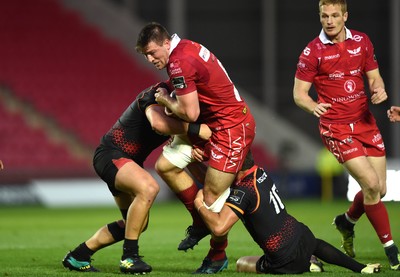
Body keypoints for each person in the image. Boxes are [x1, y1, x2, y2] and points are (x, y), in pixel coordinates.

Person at [135, 22, 256, 273]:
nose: (150, 59)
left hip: (230, 130)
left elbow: (190, 112)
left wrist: (164, 99)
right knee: (165, 166)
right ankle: (201, 223)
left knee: (211, 198)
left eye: (153, 53)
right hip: (212, 126)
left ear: (166, 43)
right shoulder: (185, 48)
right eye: (145, 55)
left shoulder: (179, 62)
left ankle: (217, 255)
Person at [293, 0, 399, 270]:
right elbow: (299, 95)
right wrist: (313, 105)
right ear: (320, 17)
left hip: (365, 123)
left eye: (334, 15)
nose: (329, 21)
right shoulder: (312, 52)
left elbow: (374, 78)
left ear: (345, 16)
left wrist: (379, 90)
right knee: (372, 185)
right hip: (336, 128)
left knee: (380, 189)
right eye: (324, 16)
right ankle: (391, 250)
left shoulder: (362, 42)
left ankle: (347, 221)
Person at [62, 83, 211, 274]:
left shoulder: (181, 114)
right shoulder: (153, 96)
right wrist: (197, 130)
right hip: (111, 155)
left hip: (126, 163)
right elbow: (158, 124)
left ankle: (78, 256)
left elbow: (182, 151)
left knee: (137, 223)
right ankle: (129, 258)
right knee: (149, 188)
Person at [194, 152, 381, 274]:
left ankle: (308, 264)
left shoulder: (244, 191)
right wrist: (360, 267)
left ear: (234, 168)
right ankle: (360, 269)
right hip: (303, 235)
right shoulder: (260, 172)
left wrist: (199, 205)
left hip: (283, 261)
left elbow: (219, 228)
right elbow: (217, 181)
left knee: (241, 263)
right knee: (314, 244)